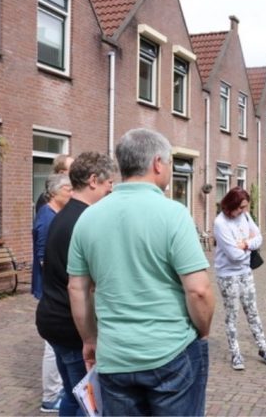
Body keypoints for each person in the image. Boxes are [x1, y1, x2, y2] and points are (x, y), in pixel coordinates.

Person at [67, 128, 215, 416]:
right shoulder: (173, 214)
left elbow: (76, 289)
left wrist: (89, 339)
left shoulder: (88, 217)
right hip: (170, 354)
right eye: (171, 163)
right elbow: (198, 290)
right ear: (158, 163)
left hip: (114, 357)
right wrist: (204, 329)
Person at [36, 152, 116, 416]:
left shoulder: (61, 214)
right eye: (108, 183)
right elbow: (85, 285)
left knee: (73, 393)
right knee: (90, 400)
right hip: (71, 327)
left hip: (52, 319)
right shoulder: (86, 221)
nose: (111, 189)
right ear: (94, 180)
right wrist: (89, 336)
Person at [213, 186, 266, 370]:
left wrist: (246, 244)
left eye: (245, 207)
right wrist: (248, 249)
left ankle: (263, 349)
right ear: (231, 205)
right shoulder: (220, 223)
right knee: (232, 315)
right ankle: (235, 354)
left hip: (245, 272)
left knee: (253, 312)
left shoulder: (245, 216)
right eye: (240, 207)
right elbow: (233, 255)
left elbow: (259, 238)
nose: (243, 211)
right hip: (228, 276)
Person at [32, 173, 73, 413]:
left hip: (52, 289)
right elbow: (44, 257)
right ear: (55, 192)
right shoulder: (47, 218)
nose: (71, 192)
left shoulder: (55, 215)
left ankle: (56, 391)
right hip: (52, 290)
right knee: (51, 345)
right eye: (68, 189)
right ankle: (51, 396)